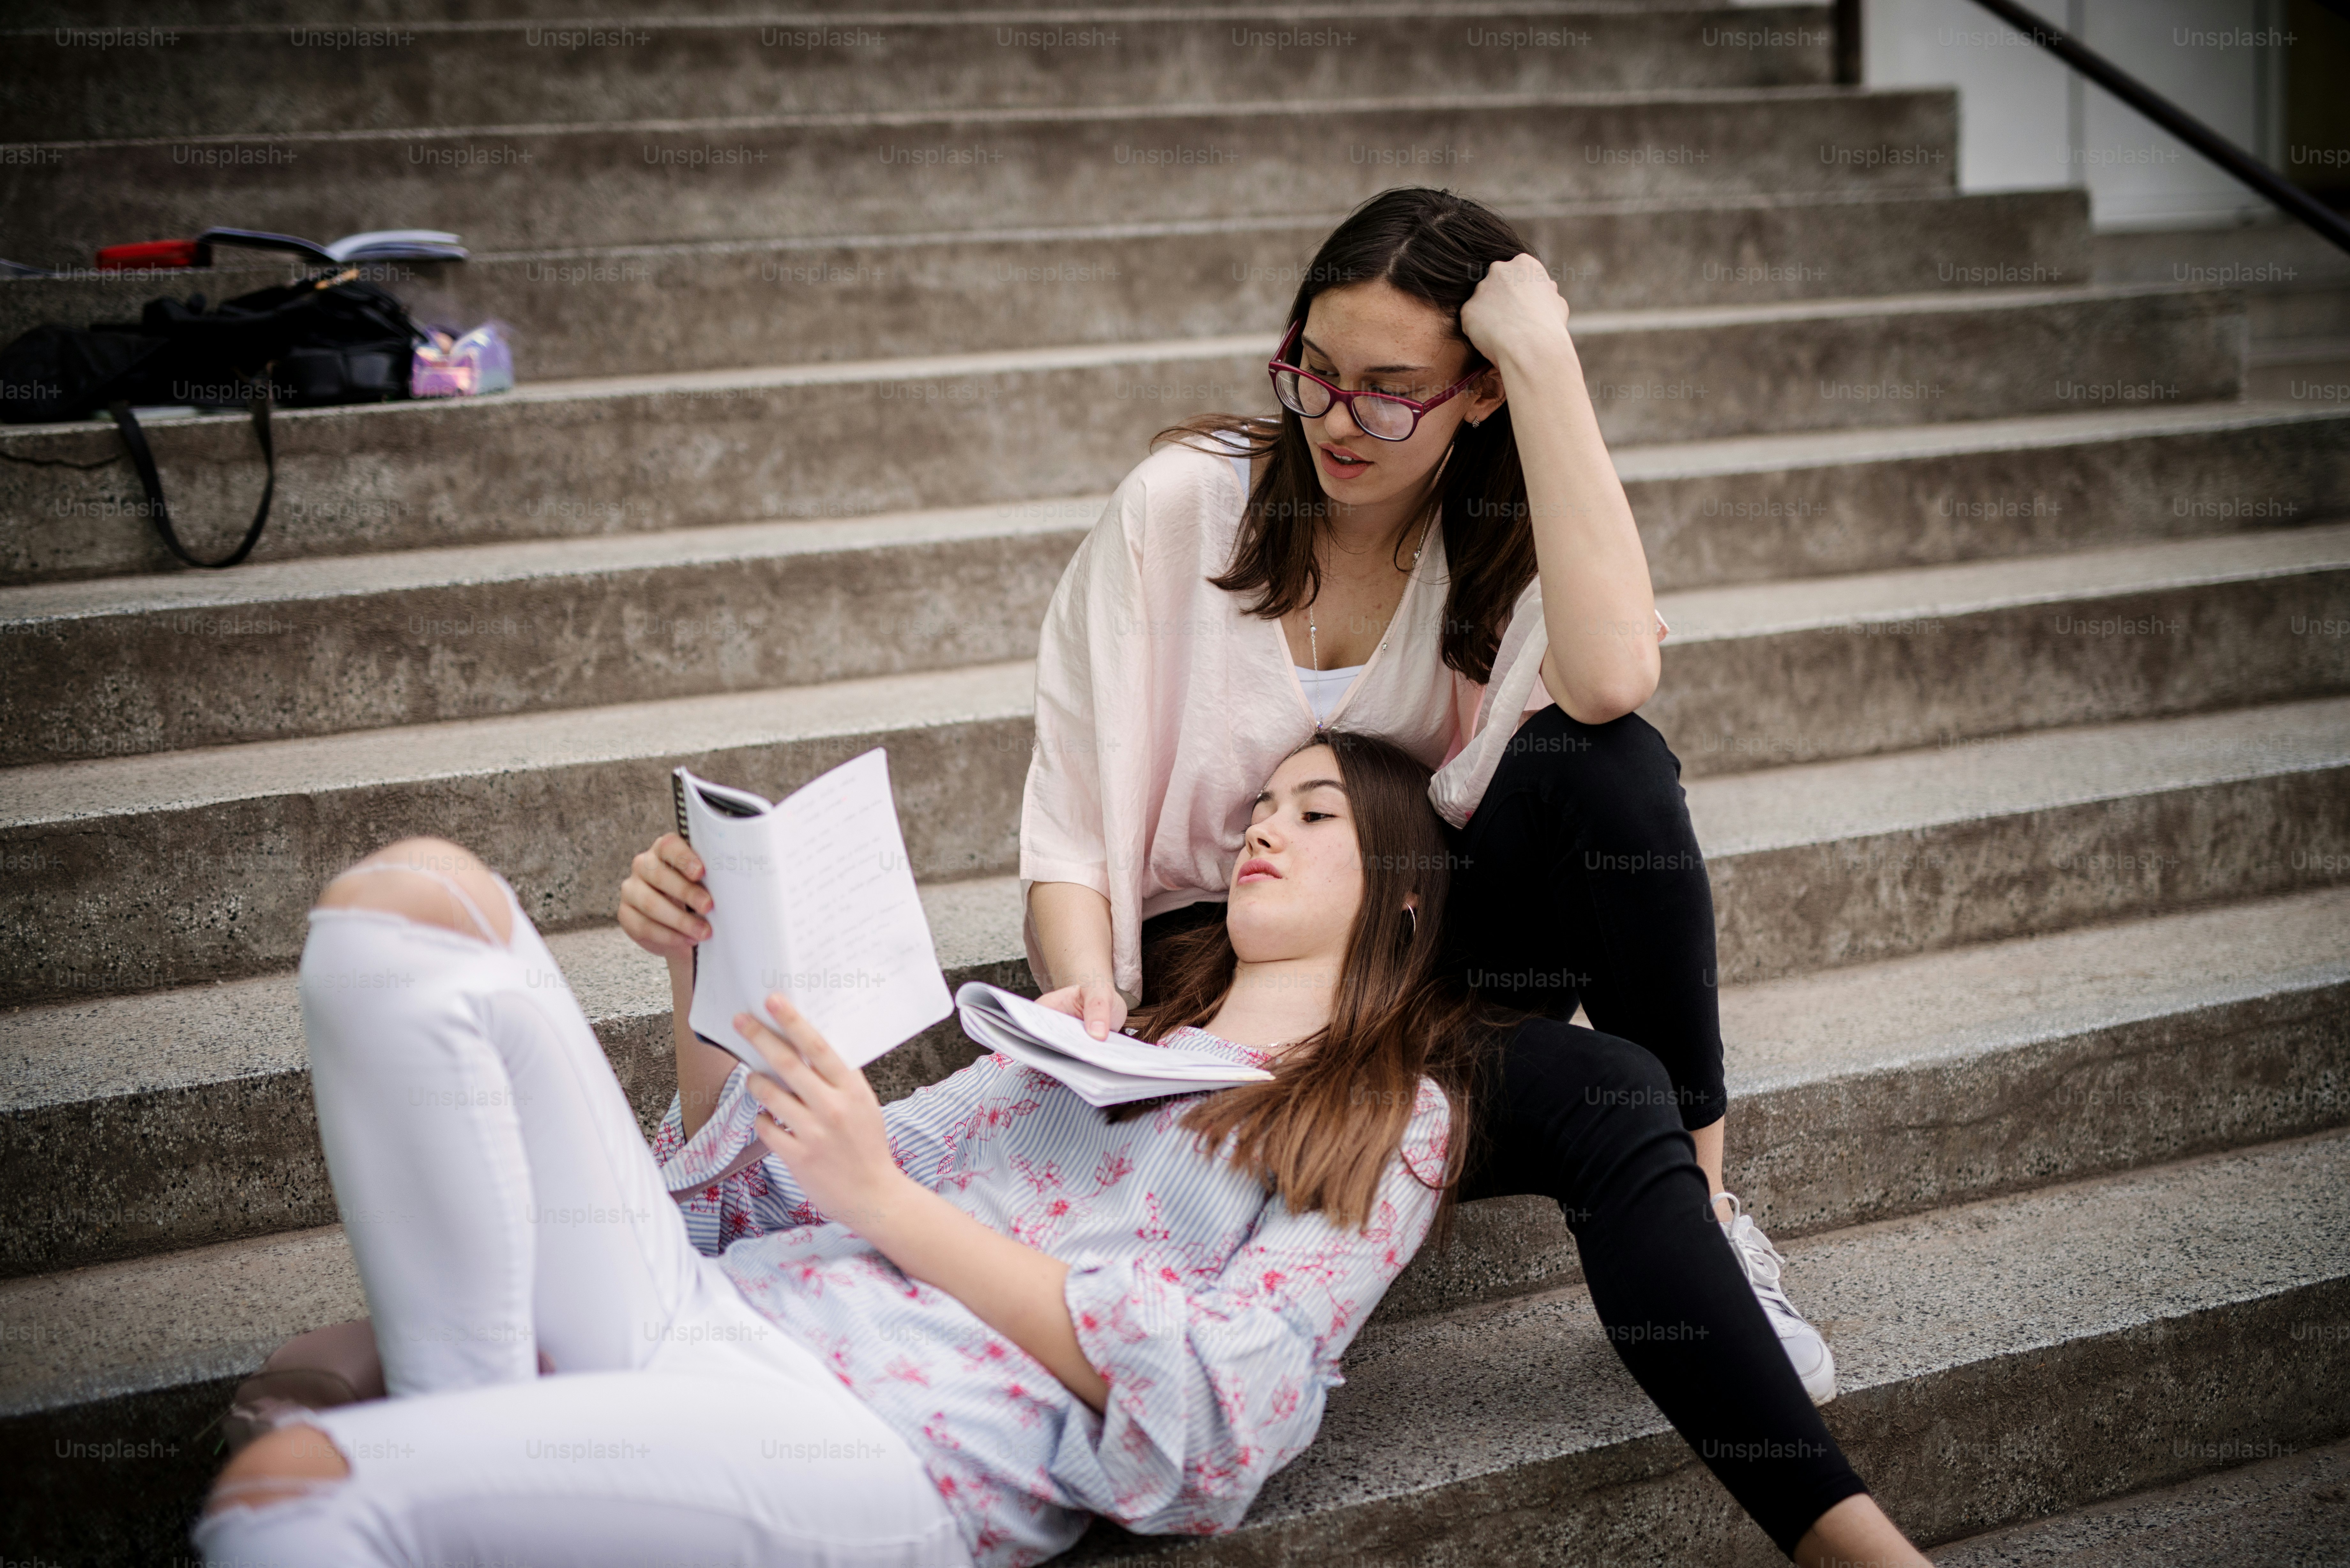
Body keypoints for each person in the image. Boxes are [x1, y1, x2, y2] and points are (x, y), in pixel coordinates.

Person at [196, 734, 1459, 1566]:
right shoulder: (1084, 1035)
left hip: (879, 1436)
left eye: (1314, 812)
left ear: (1403, 890)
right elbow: (740, 1200)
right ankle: (472, 1429)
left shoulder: (1388, 1120)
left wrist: (890, 1206)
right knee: (413, 908)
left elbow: (1218, 1423)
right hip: (719, 1303)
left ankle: (450, 1441)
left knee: (298, 1487)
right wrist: (708, 979)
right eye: (1259, 806)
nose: (1263, 828)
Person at [1019, 185, 1833, 1400]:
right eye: (1318, 371)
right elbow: (1074, 829)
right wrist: (1088, 999)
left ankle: (1706, 1208)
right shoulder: (1179, 505)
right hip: (1224, 961)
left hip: (1426, 952)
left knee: (1607, 765)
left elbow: (1611, 677)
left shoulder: (1497, 532)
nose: (1342, 419)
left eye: (1395, 390)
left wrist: (1548, 356)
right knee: (1601, 1084)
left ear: (1482, 390)